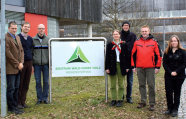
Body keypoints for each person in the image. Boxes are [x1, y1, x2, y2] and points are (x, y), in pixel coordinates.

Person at [131, 25, 162, 111]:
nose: (144, 33)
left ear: (149, 32)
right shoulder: (137, 42)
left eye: (146, 31)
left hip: (151, 67)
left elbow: (159, 55)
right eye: (143, 31)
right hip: (140, 67)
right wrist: (133, 66)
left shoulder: (154, 42)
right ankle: (143, 101)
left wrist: (158, 66)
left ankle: (152, 103)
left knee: (151, 85)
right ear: (141, 32)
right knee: (141, 85)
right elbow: (132, 55)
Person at [163, 35, 186, 117]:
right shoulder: (166, 51)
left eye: (175, 41)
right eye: (172, 41)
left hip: (179, 76)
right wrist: (170, 72)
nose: (173, 42)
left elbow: (184, 63)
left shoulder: (183, 51)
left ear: (178, 42)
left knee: (177, 92)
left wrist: (176, 71)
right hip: (169, 75)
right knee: (169, 92)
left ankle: (175, 109)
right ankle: (169, 108)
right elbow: (164, 64)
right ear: (170, 42)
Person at [105, 29, 130, 107]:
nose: (116, 35)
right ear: (112, 36)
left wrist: (127, 67)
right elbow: (107, 57)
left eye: (117, 34)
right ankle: (113, 99)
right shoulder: (109, 45)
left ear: (120, 35)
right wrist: (107, 67)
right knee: (112, 84)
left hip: (122, 66)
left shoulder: (124, 44)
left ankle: (120, 99)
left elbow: (128, 57)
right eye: (114, 34)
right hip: (112, 65)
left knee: (121, 84)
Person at [6, 21, 24, 114]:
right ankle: (11, 107)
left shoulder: (17, 37)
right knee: (11, 88)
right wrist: (17, 64)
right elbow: (7, 53)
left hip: (18, 67)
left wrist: (21, 62)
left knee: (17, 87)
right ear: (8, 28)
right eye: (12, 28)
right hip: (11, 68)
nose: (14, 30)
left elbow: (21, 50)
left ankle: (15, 106)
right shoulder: (6, 37)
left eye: (15, 28)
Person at [32, 24, 50, 105]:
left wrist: (51, 63)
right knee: (38, 82)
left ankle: (45, 98)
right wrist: (33, 62)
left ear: (44, 29)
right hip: (37, 64)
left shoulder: (49, 39)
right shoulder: (33, 39)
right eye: (39, 28)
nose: (41, 30)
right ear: (37, 29)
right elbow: (31, 52)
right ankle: (39, 99)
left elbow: (51, 52)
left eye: (42, 28)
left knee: (46, 81)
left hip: (46, 64)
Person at [17, 22, 33, 109]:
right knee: (20, 83)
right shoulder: (18, 37)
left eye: (28, 27)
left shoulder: (30, 39)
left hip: (29, 62)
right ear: (22, 27)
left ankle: (23, 102)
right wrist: (20, 62)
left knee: (26, 83)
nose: (26, 28)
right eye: (25, 26)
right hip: (21, 63)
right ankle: (18, 102)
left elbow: (31, 50)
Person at [120, 21, 137, 103]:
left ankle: (129, 97)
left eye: (127, 25)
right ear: (122, 26)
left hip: (130, 60)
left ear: (129, 27)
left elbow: (136, 47)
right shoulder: (119, 35)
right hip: (121, 60)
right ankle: (121, 96)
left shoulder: (133, 35)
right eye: (124, 25)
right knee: (121, 81)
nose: (126, 27)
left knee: (130, 81)